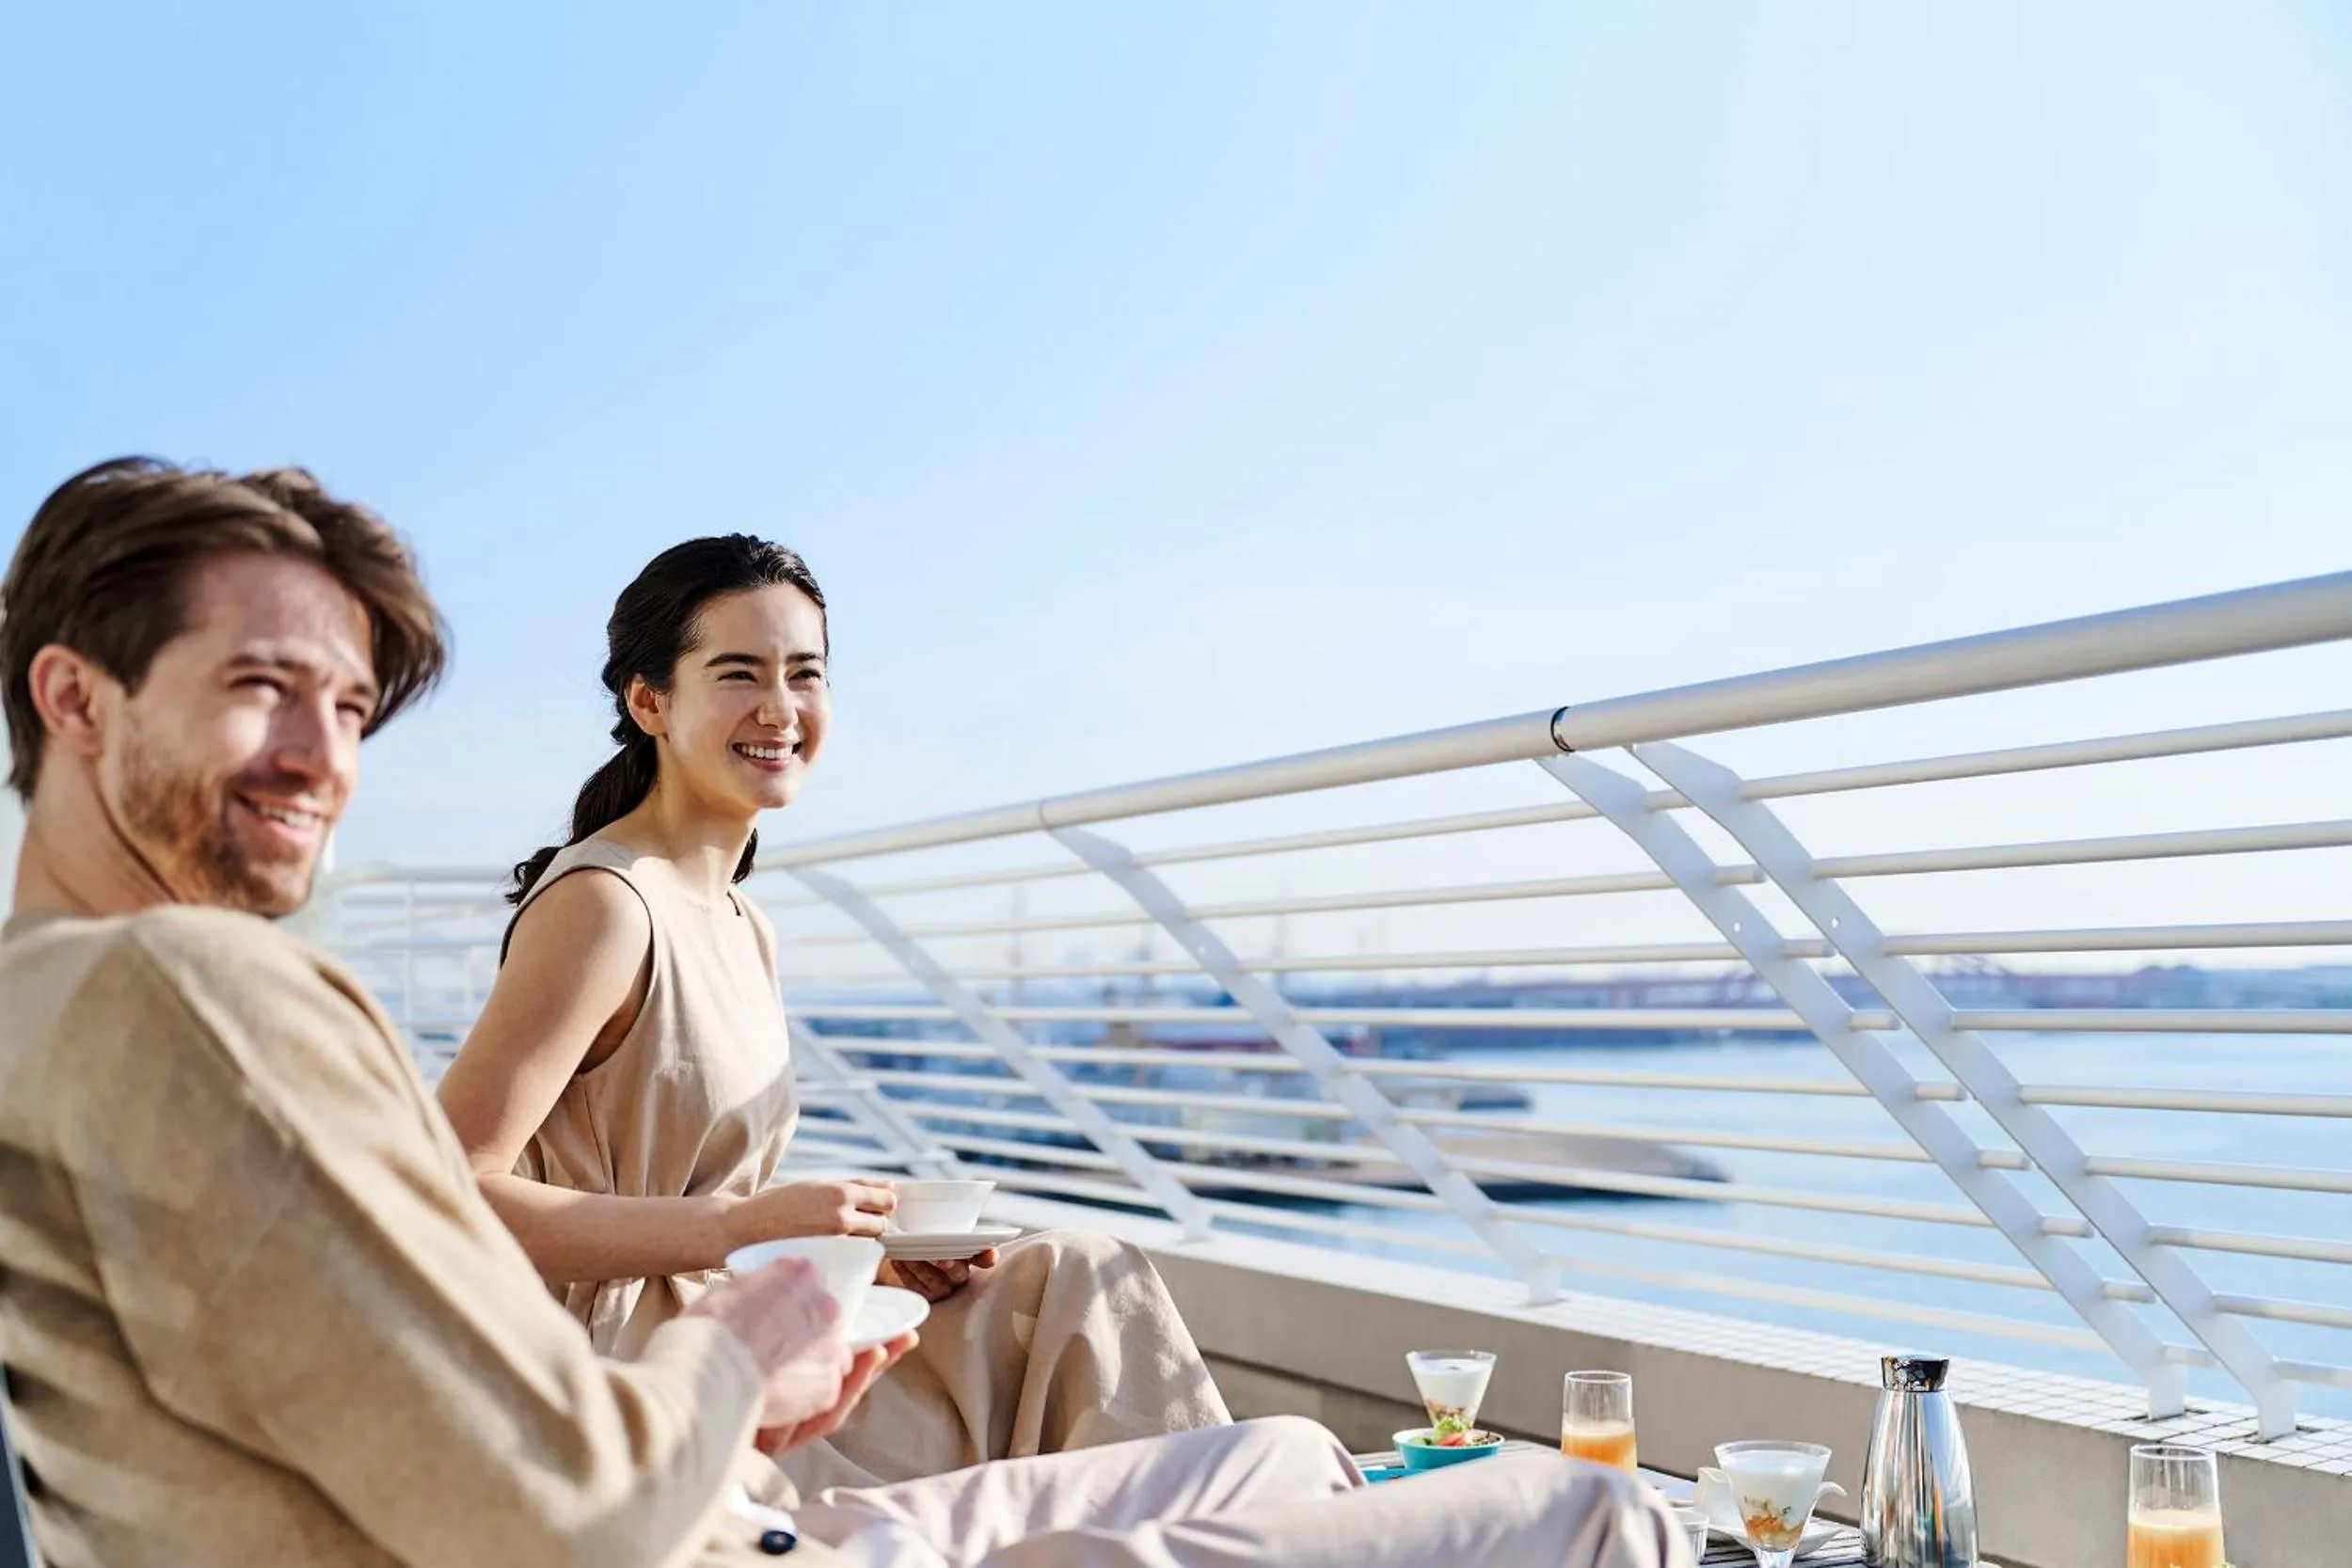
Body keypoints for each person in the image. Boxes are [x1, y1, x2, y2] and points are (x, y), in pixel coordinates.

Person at [0, 456, 1690, 1568]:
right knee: (1585, 1515)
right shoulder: (189, 992)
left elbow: (414, 1397)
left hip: (687, 1482)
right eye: (256, 688)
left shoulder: (71, 1015)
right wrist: (739, 1333)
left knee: (1285, 1450)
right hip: (672, 1510)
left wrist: (764, 1344)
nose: (323, 758)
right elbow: (555, 1493)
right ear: (72, 698)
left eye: (351, 703)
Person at [434, 536, 1228, 1493]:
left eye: (804, 674)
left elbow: (712, 1208)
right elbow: (450, 1188)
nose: (780, 708)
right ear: (649, 702)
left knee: (1074, 1274)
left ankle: (1228, 1526)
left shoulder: (741, 919)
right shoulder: (604, 904)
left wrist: (865, 1256)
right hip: (640, 1369)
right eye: (737, 674)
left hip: (751, 1322)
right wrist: (741, 1227)